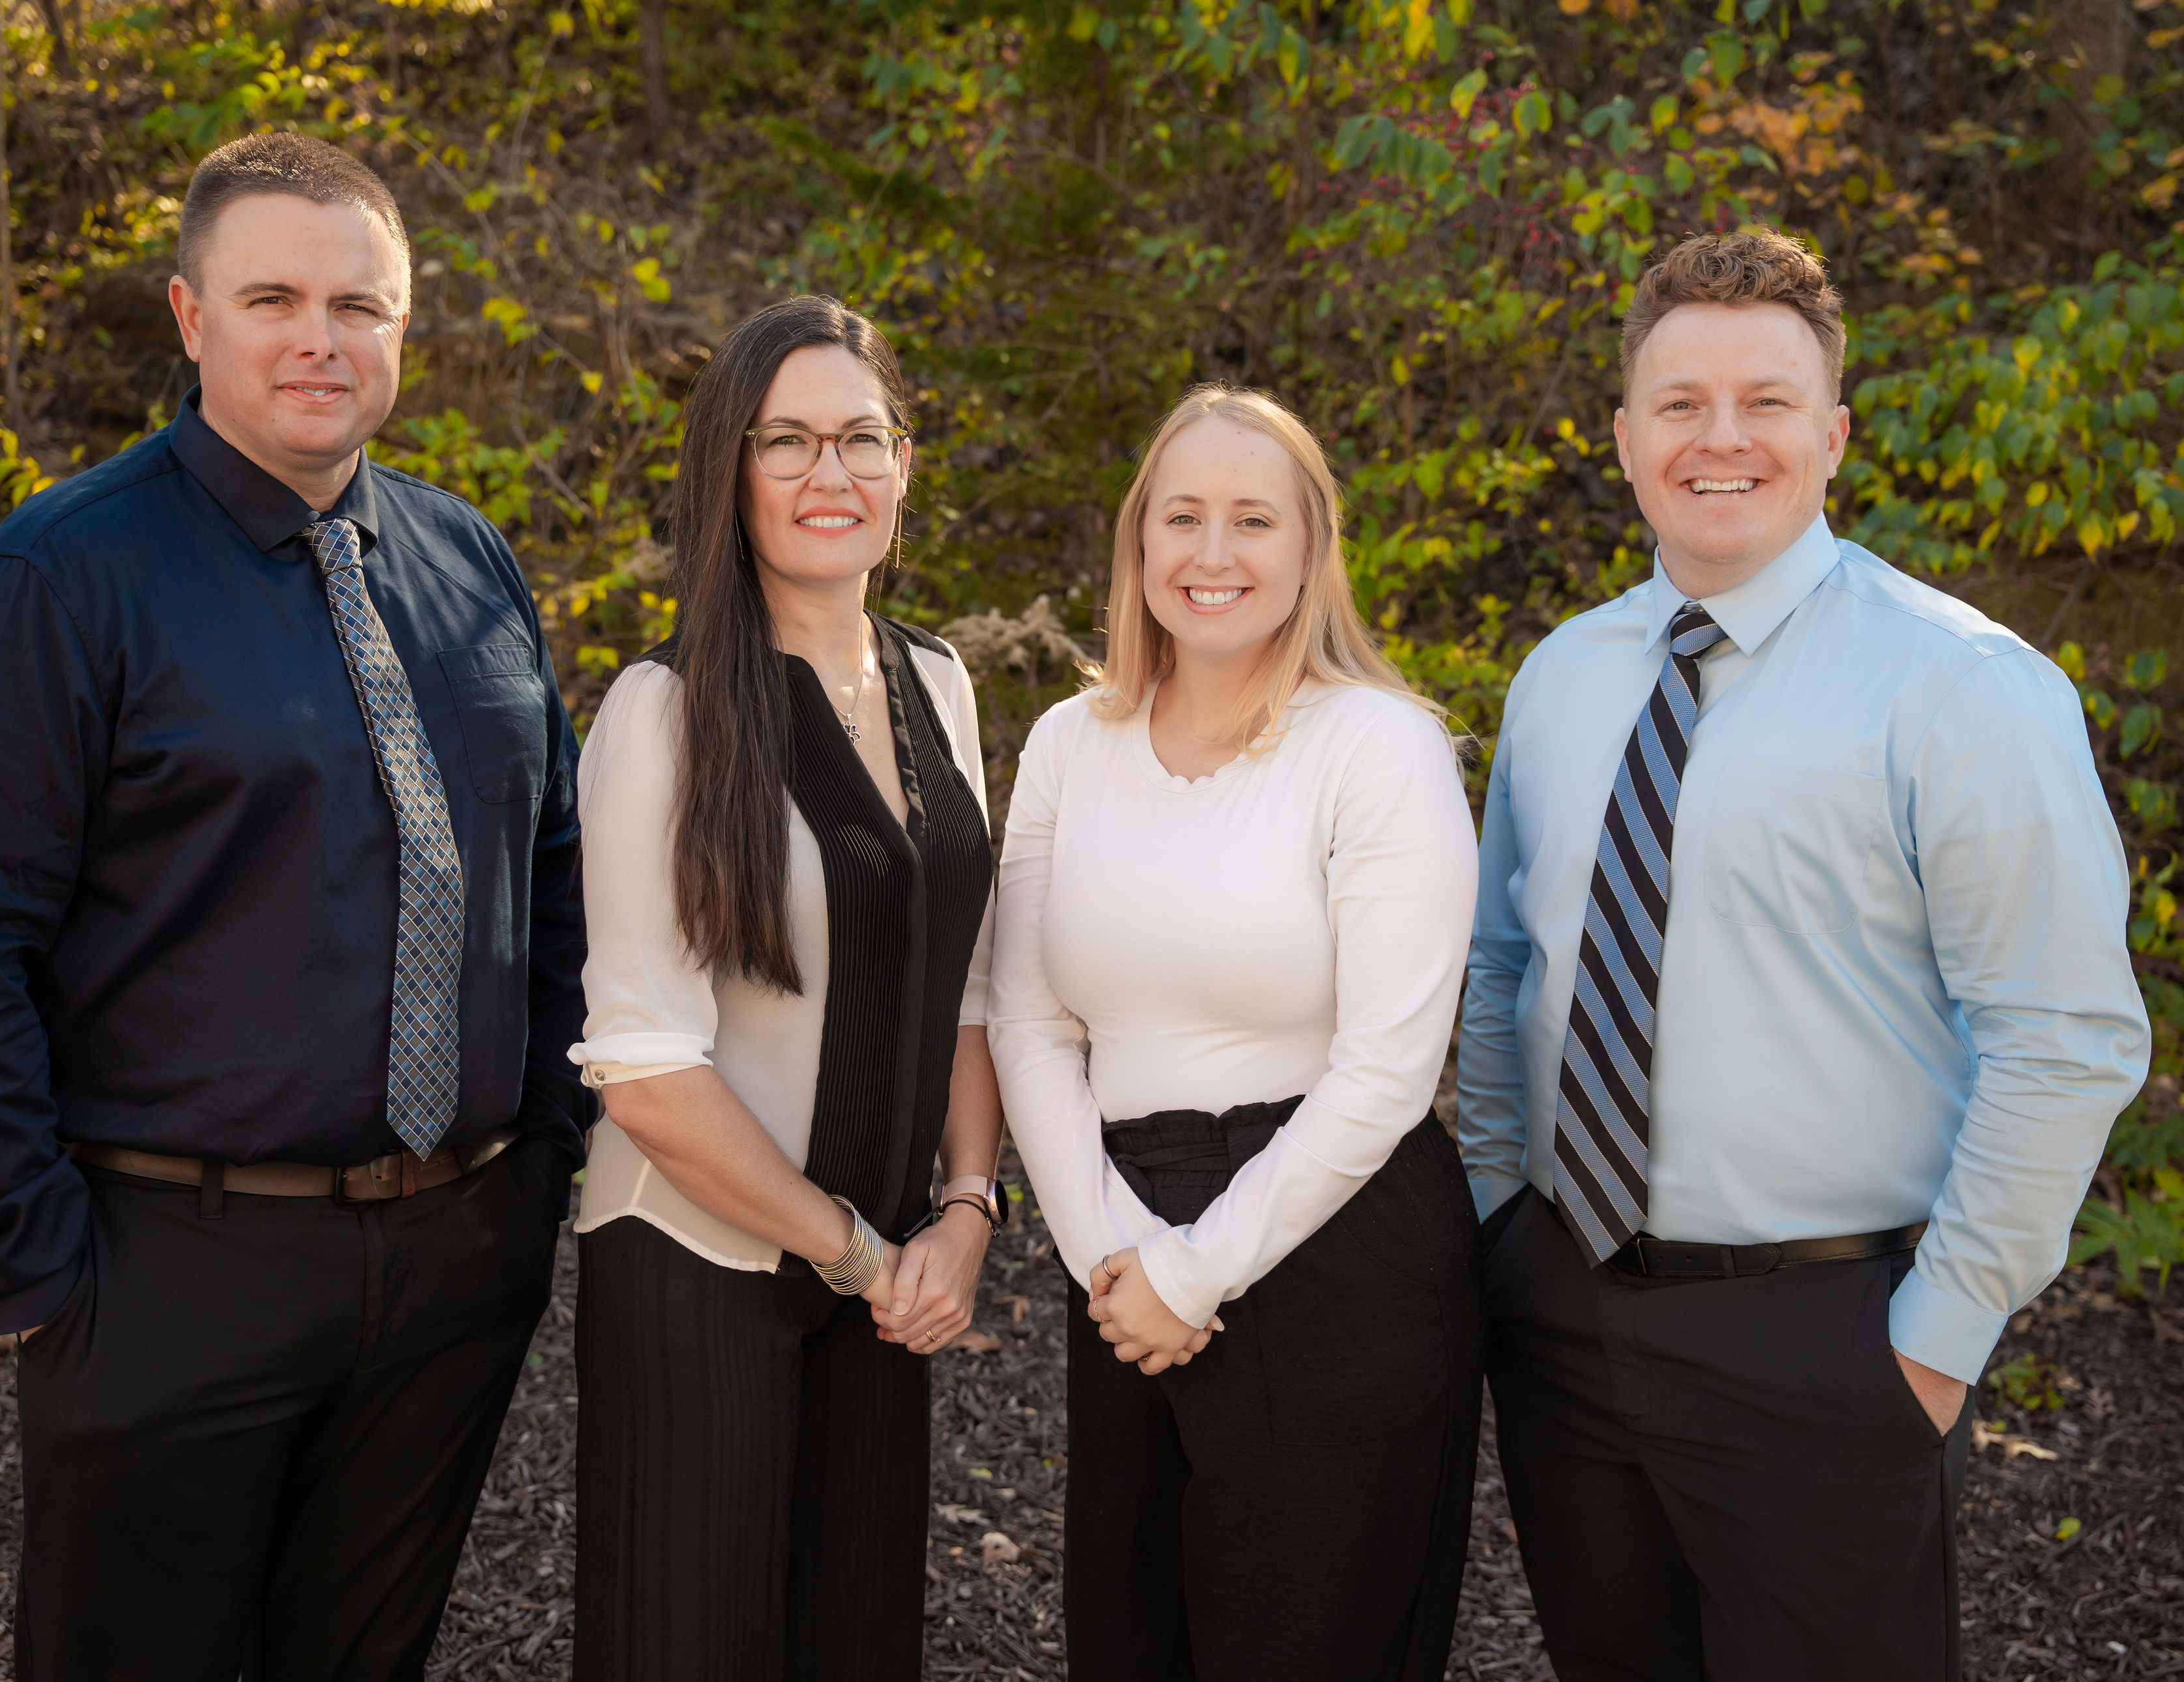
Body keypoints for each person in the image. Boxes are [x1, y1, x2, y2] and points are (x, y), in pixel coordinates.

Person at [0, 132, 588, 1679]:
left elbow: (555, 874)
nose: (320, 338)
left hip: (457, 1267)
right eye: (273, 297)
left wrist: (538, 1169)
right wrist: (40, 1279)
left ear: (405, 327)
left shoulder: (470, 561)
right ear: (192, 320)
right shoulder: (57, 581)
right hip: (168, 1273)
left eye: (359, 305)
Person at [1458, 227, 2151, 1681]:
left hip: (1833, 1344)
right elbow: (1506, 974)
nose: (1723, 439)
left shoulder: (1963, 688)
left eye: (1766, 402)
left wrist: (1929, 1349)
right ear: (1625, 435)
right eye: (1680, 403)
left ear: (1832, 434)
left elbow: (2065, 1035)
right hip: (1568, 1323)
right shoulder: (1566, 675)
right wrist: (1500, 1233)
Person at [988, 385, 1483, 1680]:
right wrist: (1116, 1262)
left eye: (1254, 520)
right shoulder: (1066, 745)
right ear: (1137, 541)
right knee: (1135, 1636)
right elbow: (1030, 1024)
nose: (1214, 554)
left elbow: (1389, 1070)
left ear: (1311, 550)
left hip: (1333, 1244)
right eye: (1183, 516)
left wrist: (1193, 1274)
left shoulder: (1379, 747)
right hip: (1128, 1243)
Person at [565, 294, 1002, 1681]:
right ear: (729, 469)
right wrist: (860, 1249)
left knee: (854, 1644)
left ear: (906, 462)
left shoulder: (940, 682)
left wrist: (966, 1214)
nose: (834, 477)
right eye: (790, 443)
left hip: (883, 1268)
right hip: (705, 1264)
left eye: (864, 440)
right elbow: (643, 1071)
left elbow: (969, 985)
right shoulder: (670, 709)